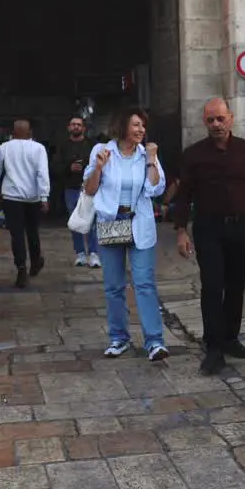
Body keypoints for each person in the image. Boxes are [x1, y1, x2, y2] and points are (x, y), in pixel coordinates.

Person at [174, 98, 245, 376]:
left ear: (231, 118)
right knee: (212, 286)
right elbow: (183, 195)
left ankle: (231, 338)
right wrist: (180, 231)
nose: (216, 124)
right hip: (208, 229)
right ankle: (213, 348)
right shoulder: (193, 155)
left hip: (241, 228)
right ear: (204, 122)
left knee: (236, 284)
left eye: (220, 119)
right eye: (210, 120)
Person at [83, 106, 169, 360]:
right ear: (123, 126)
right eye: (136, 125)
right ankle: (118, 338)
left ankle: (154, 341)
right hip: (111, 222)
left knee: (144, 283)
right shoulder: (102, 151)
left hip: (139, 223)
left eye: (143, 125)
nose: (141, 130)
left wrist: (152, 159)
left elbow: (155, 189)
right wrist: (98, 168)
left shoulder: (146, 154)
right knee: (113, 286)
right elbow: (89, 189)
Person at [0, 119, 50, 288]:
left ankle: (21, 269)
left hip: (11, 198)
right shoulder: (39, 149)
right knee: (32, 232)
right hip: (33, 198)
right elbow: (42, 174)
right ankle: (36, 261)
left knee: (17, 235)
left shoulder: (4, 149)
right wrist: (44, 197)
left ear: (12, 133)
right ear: (30, 133)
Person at [56, 116, 100, 268]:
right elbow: (54, 167)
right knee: (75, 222)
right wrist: (69, 168)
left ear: (83, 128)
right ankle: (80, 253)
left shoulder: (91, 145)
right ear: (69, 127)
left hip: (91, 189)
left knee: (93, 222)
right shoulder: (63, 146)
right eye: (73, 124)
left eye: (78, 125)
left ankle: (94, 253)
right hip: (71, 188)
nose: (76, 127)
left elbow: (98, 164)